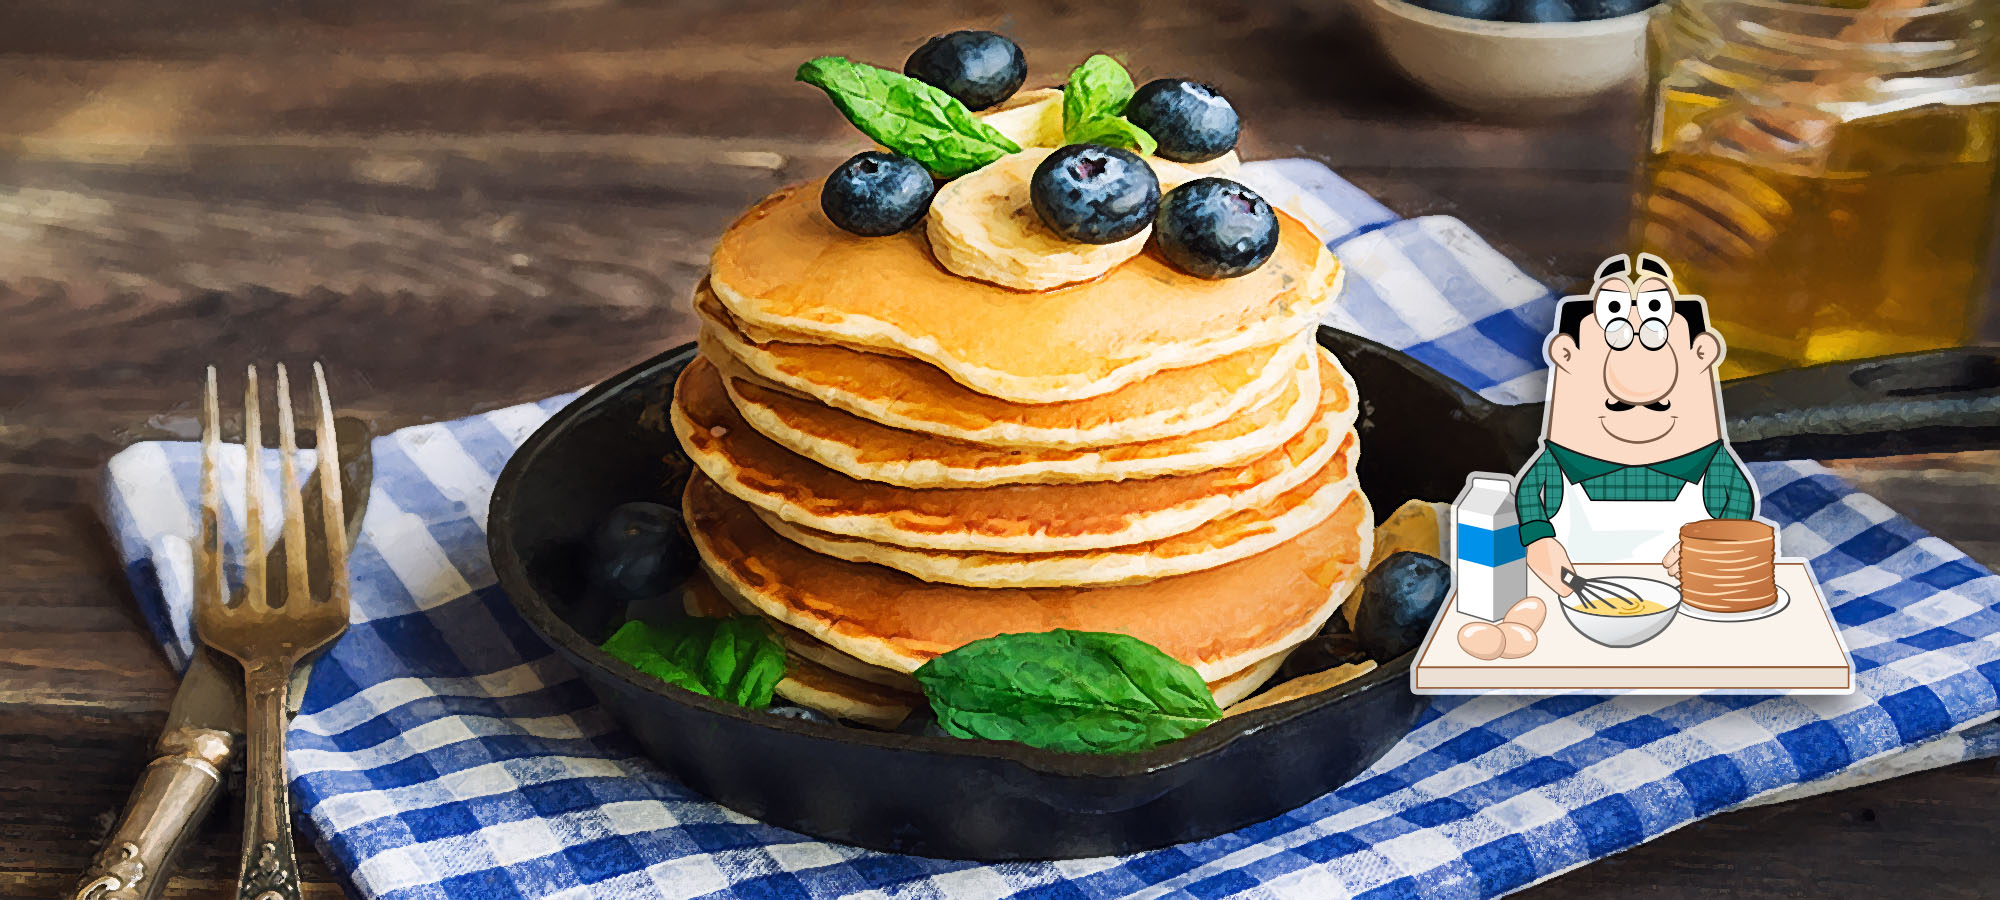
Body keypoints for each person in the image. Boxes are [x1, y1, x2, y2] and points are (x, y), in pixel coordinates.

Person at [1515, 253, 1755, 594]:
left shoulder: (1710, 465)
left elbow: (1737, 505)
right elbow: (1530, 497)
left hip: (1687, 597)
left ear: (1702, 354)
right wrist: (1539, 541)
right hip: (1574, 598)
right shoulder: (1559, 465)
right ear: (1565, 356)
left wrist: (1714, 543)